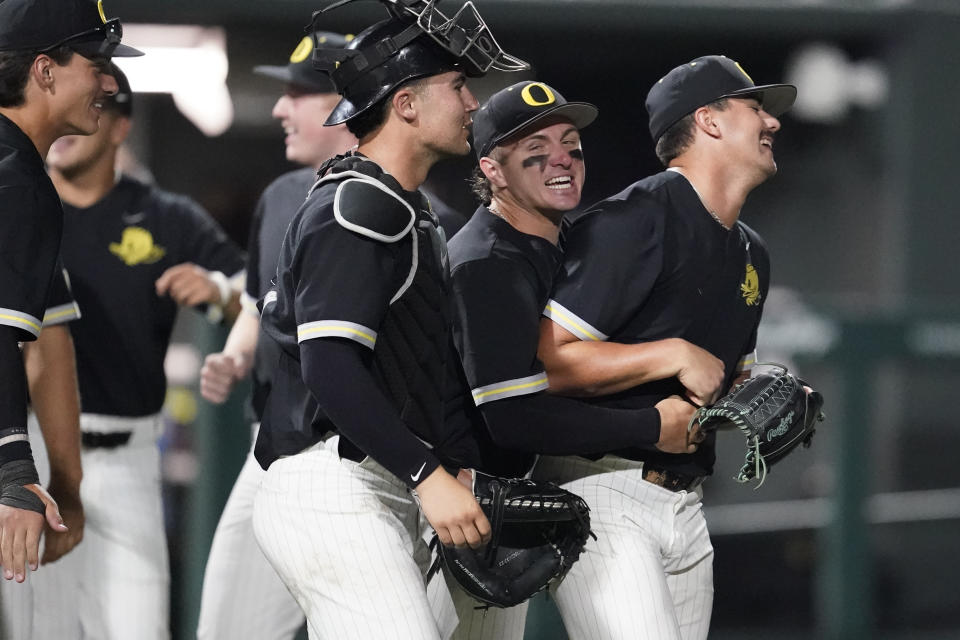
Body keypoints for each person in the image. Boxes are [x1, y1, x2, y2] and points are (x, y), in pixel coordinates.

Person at [249, 2, 528, 638]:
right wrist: (428, 474)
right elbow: (331, 368)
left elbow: (412, 374)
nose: (472, 104)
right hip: (329, 483)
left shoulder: (406, 209)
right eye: (457, 87)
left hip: (378, 478)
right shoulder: (358, 204)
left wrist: (453, 469)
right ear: (405, 104)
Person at [535, 55, 797, 640]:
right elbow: (545, 363)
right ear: (707, 120)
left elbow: (715, 384)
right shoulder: (634, 219)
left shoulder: (752, 250)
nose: (773, 123)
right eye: (756, 108)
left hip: (686, 501)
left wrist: (754, 398)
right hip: (599, 489)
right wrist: (671, 352)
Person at [444, 79, 705, 638]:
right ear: (492, 170)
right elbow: (512, 417)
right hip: (441, 505)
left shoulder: (560, 246)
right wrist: (650, 424)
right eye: (534, 151)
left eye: (570, 143)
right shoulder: (486, 261)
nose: (561, 159)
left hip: (497, 502)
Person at [18, 64, 245, 639]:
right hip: (36, 454)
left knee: (140, 628)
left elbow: (259, 297)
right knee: (41, 632)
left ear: (118, 126)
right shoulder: (21, 205)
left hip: (130, 458)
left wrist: (219, 292)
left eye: (91, 107)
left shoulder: (165, 216)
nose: (67, 128)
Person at [196, 31, 357, 640]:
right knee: (227, 629)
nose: (279, 109)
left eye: (299, 94)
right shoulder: (283, 195)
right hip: (272, 447)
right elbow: (257, 299)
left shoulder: (419, 216)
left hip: (361, 461)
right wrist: (237, 354)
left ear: (347, 104)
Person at [0, 0, 140, 592]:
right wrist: (12, 469)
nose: (109, 82)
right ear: (44, 70)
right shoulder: (17, 179)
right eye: (97, 61)